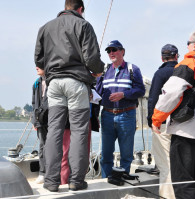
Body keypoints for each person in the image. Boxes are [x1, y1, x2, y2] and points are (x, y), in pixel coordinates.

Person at [34, 0, 104, 192]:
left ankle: (51, 181)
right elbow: (91, 58)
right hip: (76, 83)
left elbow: (38, 60)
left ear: (65, 7)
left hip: (54, 84)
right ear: (81, 9)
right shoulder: (83, 25)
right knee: (79, 131)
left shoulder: (45, 28)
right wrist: (99, 71)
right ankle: (76, 181)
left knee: (54, 131)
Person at [152, 28, 195, 199]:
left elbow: (171, 93)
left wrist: (156, 119)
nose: (186, 48)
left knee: (183, 181)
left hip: (186, 130)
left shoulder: (190, 64)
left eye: (188, 44)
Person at [96, 40, 145, 178]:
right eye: (109, 51)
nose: (111, 53)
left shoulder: (132, 69)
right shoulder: (104, 71)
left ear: (122, 51)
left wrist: (123, 95)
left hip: (127, 115)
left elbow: (141, 90)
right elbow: (97, 93)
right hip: (107, 115)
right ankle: (106, 182)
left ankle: (123, 181)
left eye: (114, 50)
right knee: (105, 154)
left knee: (126, 154)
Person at [147, 44, 179, 199]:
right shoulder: (183, 71)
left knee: (166, 164)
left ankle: (168, 196)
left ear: (162, 58)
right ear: (177, 56)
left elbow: (153, 98)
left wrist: (150, 121)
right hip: (184, 124)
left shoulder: (160, 74)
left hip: (163, 123)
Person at [32, 66, 48, 184]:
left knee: (55, 146)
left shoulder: (54, 81)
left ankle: (53, 172)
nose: (36, 67)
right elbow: (34, 103)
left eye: (39, 65)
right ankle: (42, 172)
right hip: (40, 120)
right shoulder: (36, 84)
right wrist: (34, 120)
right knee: (42, 147)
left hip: (53, 119)